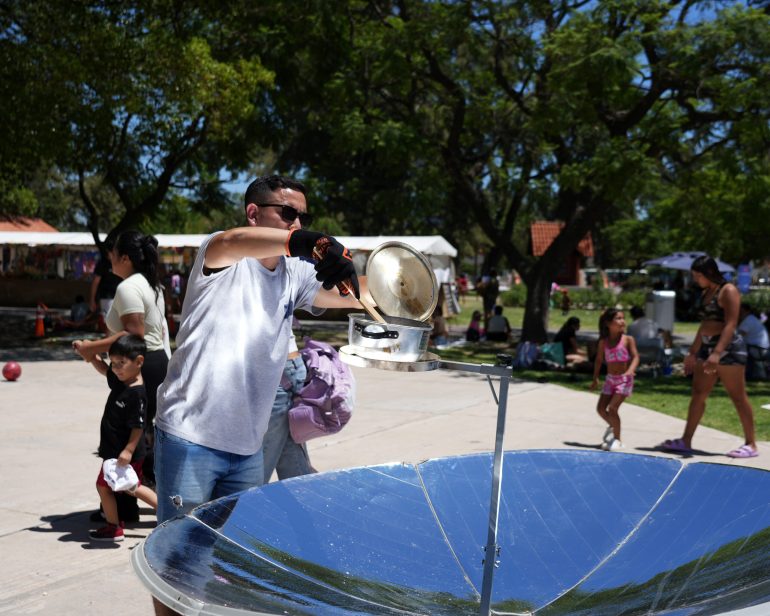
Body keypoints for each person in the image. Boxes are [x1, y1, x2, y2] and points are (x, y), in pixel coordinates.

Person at [74, 230, 171, 510]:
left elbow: (134, 334)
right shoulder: (151, 284)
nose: (110, 257)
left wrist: (92, 347)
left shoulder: (129, 287)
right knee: (136, 433)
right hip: (153, 362)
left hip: (140, 365)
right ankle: (124, 504)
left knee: (123, 435)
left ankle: (129, 502)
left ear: (126, 258)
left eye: (113, 253)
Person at [660, 255, 757, 458]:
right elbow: (704, 325)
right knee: (698, 394)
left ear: (709, 273)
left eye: (698, 276)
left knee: (738, 397)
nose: (695, 279)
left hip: (728, 349)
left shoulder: (728, 290)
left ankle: (751, 444)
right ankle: (686, 440)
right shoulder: (706, 292)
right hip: (707, 348)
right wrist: (692, 352)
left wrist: (717, 353)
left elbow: (731, 324)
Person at [84, 334, 158, 542]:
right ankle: (115, 525)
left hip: (123, 453)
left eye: (121, 363)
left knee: (120, 487)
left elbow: (138, 426)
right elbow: (104, 370)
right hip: (114, 451)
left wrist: (128, 450)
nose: (116, 368)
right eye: (113, 362)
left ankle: (114, 527)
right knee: (128, 487)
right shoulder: (122, 379)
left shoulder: (137, 393)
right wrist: (91, 356)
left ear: (139, 361)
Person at [262, 326, 315, 482]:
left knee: (255, 466)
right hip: (288, 364)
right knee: (290, 452)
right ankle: (304, 495)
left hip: (276, 368)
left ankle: (245, 498)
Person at [590, 309, 639, 451]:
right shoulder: (603, 342)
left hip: (624, 380)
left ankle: (618, 440)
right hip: (610, 380)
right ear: (608, 323)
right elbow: (599, 360)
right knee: (600, 409)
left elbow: (636, 357)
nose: (622, 321)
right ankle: (613, 427)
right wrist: (595, 378)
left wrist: (630, 370)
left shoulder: (628, 340)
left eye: (623, 318)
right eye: (618, 318)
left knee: (612, 408)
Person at [89, 233, 122, 332]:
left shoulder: (120, 262)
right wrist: (92, 299)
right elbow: (95, 282)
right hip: (107, 296)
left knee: (120, 323)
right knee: (110, 323)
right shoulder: (103, 263)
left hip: (120, 295)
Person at [738, 303, 769, 380]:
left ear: (745, 311)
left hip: (757, 349)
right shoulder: (751, 319)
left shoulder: (748, 320)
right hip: (761, 349)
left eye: (740, 310)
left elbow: (739, 336)